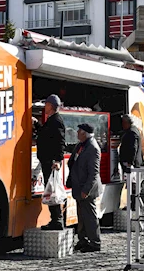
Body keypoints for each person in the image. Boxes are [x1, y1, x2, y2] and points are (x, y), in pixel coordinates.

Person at [69, 123, 102, 252]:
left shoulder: (92, 148)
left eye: (79, 131)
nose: (77, 133)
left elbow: (93, 173)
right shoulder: (81, 145)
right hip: (79, 186)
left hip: (86, 189)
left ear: (84, 133)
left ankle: (95, 242)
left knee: (90, 216)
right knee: (81, 216)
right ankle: (83, 240)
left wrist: (86, 190)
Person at [36, 94, 66, 230]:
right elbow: (44, 135)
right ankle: (56, 219)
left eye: (46, 105)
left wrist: (58, 160)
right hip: (48, 160)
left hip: (51, 162)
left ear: (51, 106)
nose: (45, 107)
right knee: (51, 191)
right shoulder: (52, 120)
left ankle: (57, 220)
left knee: (52, 192)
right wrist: (36, 124)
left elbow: (60, 142)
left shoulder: (56, 121)